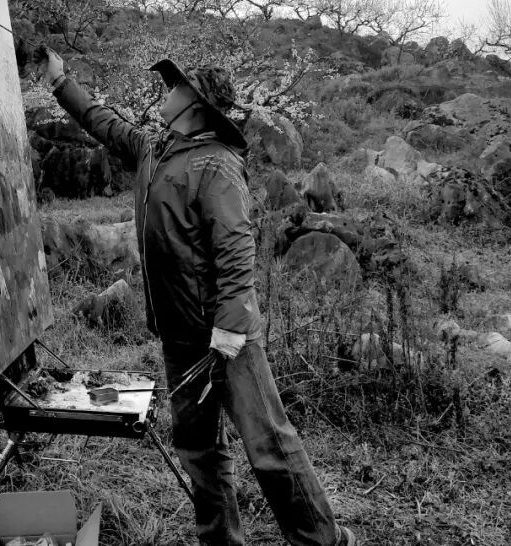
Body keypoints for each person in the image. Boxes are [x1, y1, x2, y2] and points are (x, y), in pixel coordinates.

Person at [41, 48, 356, 546]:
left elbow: (237, 253)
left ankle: (324, 540)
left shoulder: (218, 166)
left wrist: (229, 331)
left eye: (174, 87)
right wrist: (62, 84)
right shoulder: (155, 150)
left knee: (269, 447)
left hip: (225, 338)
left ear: (194, 102)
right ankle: (220, 540)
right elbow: (105, 123)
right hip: (181, 335)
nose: (165, 93)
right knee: (198, 450)